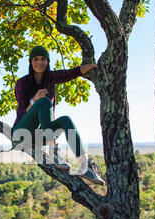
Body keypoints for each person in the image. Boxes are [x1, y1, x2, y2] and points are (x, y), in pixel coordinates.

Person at [11, 45, 105, 185]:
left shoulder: (51, 78)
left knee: (65, 120)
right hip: (22, 133)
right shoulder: (22, 83)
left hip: (40, 136)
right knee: (44, 102)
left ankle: (85, 165)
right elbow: (22, 112)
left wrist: (95, 66)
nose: (39, 62)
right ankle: (53, 150)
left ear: (47, 61)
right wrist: (34, 99)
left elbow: (75, 72)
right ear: (31, 62)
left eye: (43, 59)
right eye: (35, 59)